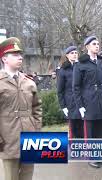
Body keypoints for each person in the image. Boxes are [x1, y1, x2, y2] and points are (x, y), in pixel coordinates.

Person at [0, 37, 42, 180]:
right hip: (8, 139)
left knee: (27, 176)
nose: (20, 58)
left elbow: (37, 108)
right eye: (15, 55)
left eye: (20, 54)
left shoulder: (28, 82)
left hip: (29, 138)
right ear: (4, 59)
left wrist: (36, 130)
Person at [73, 36, 102, 168]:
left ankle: (100, 156)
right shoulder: (80, 64)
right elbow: (76, 87)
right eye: (94, 44)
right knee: (91, 131)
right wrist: (80, 106)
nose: (97, 46)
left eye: (98, 44)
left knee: (101, 129)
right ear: (87, 47)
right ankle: (91, 157)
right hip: (89, 100)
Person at [57, 46, 83, 138]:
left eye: (76, 53)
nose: (74, 55)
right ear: (67, 55)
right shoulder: (63, 70)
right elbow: (60, 90)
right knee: (74, 129)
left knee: (84, 129)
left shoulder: (81, 67)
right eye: (72, 53)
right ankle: (74, 150)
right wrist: (63, 106)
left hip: (82, 101)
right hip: (70, 103)